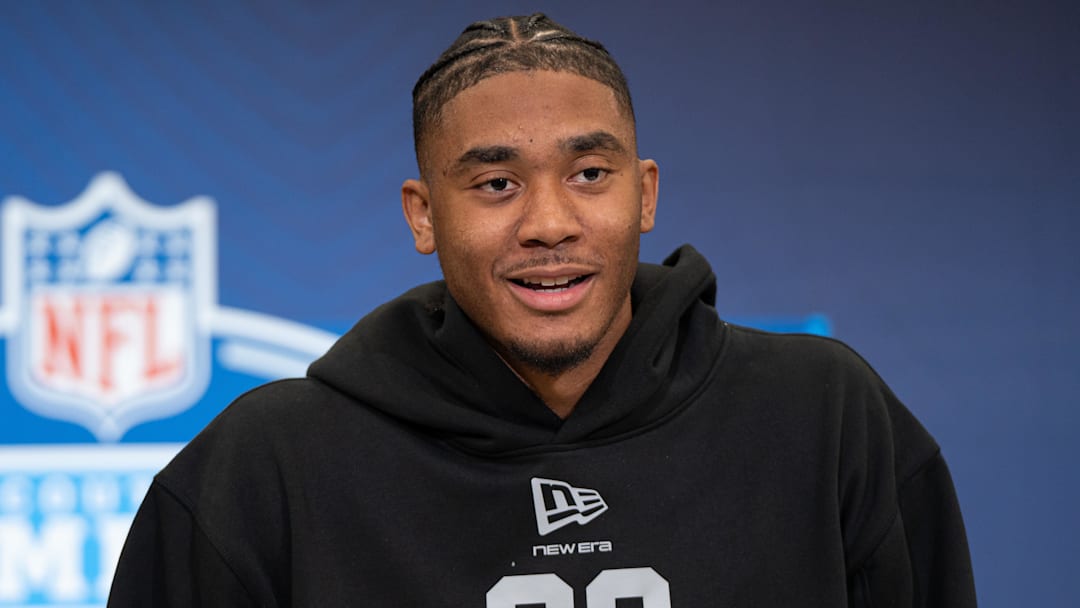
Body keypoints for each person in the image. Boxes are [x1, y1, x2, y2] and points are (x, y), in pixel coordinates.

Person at [108, 13, 976, 607]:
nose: (549, 223)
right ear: (422, 214)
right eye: (496, 183)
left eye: (590, 175)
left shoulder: (824, 416)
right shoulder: (267, 467)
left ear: (645, 194)